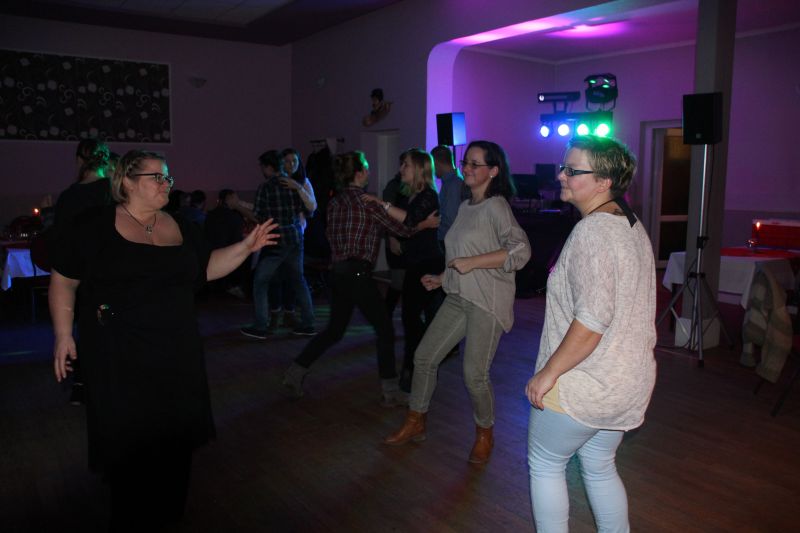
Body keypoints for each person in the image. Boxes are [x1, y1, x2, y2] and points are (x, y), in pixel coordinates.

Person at [49, 149, 279, 531]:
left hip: (176, 355)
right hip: (120, 358)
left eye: (167, 177)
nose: (166, 184)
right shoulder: (95, 225)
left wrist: (246, 247)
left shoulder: (182, 225)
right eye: (156, 177)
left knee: (175, 451)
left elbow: (206, 267)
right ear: (126, 181)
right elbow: (64, 279)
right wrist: (62, 335)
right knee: (131, 456)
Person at [525, 135, 657, 532]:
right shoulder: (629, 223)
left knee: (546, 464)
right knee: (599, 466)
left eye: (572, 170)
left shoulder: (593, 232)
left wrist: (548, 373)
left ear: (604, 182)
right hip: (625, 381)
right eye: (562, 167)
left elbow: (593, 320)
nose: (561, 176)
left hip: (585, 384)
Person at [383, 140, 530, 465]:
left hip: (486, 302)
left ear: (494, 171)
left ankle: (484, 434)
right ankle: (416, 420)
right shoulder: (465, 207)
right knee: (424, 357)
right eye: (466, 162)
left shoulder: (496, 206)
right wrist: (442, 278)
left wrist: (474, 263)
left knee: (474, 374)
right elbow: (460, 255)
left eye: (476, 164)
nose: (467, 168)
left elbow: (521, 250)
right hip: (458, 296)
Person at [283, 151, 438, 405]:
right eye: (366, 168)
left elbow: (332, 236)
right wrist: (425, 224)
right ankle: (390, 392)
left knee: (334, 331)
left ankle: (295, 372)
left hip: (337, 273)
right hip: (357, 273)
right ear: (358, 173)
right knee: (385, 330)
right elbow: (405, 230)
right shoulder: (368, 203)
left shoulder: (335, 202)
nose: (368, 172)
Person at [51, 138, 113, 405]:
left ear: (78, 160)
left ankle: (83, 382)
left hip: (80, 275)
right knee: (109, 327)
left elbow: (59, 242)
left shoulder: (69, 196)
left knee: (87, 327)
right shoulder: (114, 191)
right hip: (111, 273)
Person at [377, 149, 445, 393]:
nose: (401, 169)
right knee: (411, 318)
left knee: (412, 318)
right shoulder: (409, 195)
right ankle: (416, 367)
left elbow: (408, 221)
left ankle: (415, 369)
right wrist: (396, 236)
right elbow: (404, 226)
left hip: (428, 263)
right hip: (415, 262)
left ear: (418, 169)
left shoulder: (428, 196)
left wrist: (382, 204)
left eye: (405, 165)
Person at [241, 150, 316, 338]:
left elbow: (258, 216)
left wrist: (239, 207)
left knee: (260, 282)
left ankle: (260, 326)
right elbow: (309, 210)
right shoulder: (294, 184)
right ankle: (308, 324)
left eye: (262, 167)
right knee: (298, 280)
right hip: (295, 238)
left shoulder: (266, 187)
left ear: (268, 167)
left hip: (276, 240)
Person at [267, 148, 319, 330]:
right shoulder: (276, 183)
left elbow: (312, 206)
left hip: (296, 237)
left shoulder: (303, 182)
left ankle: (290, 313)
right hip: (277, 235)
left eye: (294, 161)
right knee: (275, 277)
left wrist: (298, 187)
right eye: (287, 161)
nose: (291, 165)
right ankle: (275, 314)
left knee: (294, 278)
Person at [431, 145, 467, 246]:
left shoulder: (453, 184)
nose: (432, 170)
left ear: (436, 163)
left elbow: (451, 220)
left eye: (432, 166)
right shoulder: (450, 182)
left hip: (448, 241)